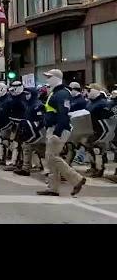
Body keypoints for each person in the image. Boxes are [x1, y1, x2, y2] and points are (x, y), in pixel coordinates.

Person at [37, 69, 86, 197]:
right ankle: (53, 188)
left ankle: (76, 179)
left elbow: (63, 114)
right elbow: (52, 112)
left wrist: (57, 133)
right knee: (50, 158)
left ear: (57, 78)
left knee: (52, 157)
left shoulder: (62, 94)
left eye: (49, 77)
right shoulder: (56, 92)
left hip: (58, 129)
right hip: (53, 128)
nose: (47, 79)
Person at [15, 87, 46, 176]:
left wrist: (36, 129)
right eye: (25, 94)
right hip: (31, 132)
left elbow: (41, 120)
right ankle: (26, 168)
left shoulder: (38, 105)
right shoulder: (28, 104)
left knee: (42, 151)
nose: (26, 96)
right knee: (27, 148)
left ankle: (48, 170)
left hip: (39, 132)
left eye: (28, 94)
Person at [84, 83, 112, 178]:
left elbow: (107, 119)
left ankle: (100, 169)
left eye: (89, 90)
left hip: (101, 130)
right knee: (89, 148)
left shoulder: (103, 103)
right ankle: (94, 166)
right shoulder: (90, 103)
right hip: (91, 129)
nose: (87, 93)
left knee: (98, 150)